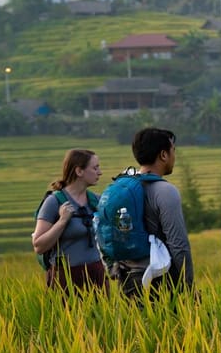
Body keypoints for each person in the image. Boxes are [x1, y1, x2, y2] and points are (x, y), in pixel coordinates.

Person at [111, 127, 194, 299]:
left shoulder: (121, 188)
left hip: (127, 279)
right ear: (163, 155)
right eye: (173, 151)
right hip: (159, 281)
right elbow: (178, 245)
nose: (174, 156)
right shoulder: (165, 191)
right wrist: (188, 288)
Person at [32, 149, 108, 294]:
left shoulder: (97, 200)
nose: (100, 172)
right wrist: (62, 221)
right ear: (79, 171)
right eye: (95, 167)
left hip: (97, 273)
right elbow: (39, 246)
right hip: (65, 278)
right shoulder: (54, 202)